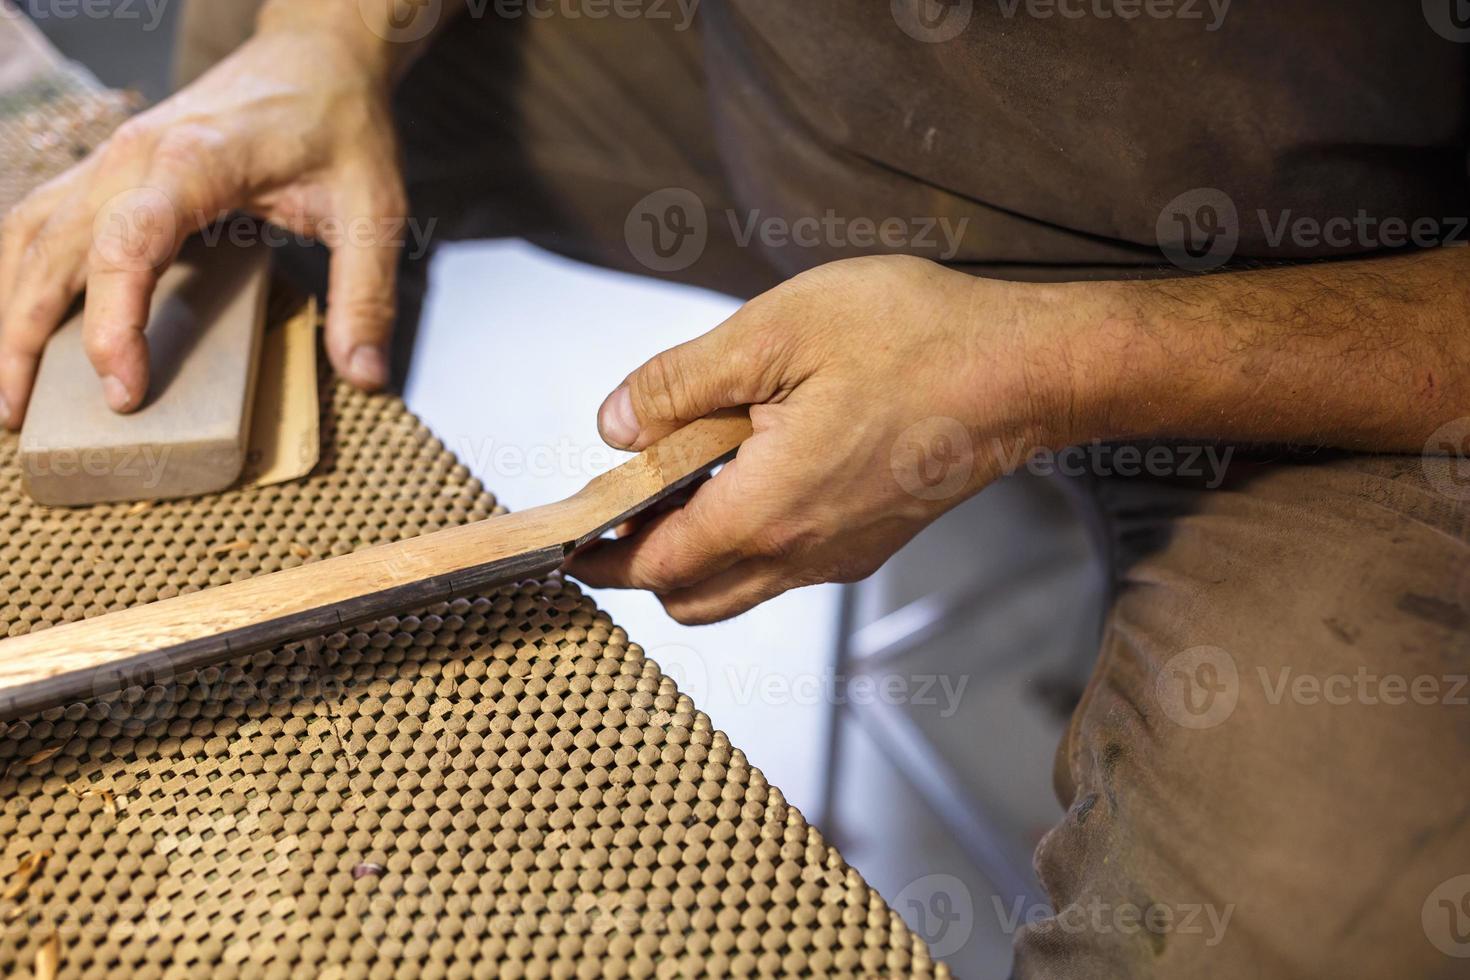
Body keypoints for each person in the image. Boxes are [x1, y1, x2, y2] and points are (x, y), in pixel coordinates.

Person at [3, 2, 1468, 975]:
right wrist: (320, 44)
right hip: (796, 72)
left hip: (1338, 299)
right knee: (246, 103)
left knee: (1317, 927)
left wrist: (1051, 365)